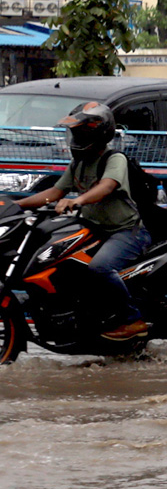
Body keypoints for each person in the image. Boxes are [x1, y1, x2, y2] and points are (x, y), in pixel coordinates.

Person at [19, 102, 152, 340]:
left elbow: (106, 186)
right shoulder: (78, 163)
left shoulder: (115, 159)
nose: (77, 137)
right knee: (63, 265)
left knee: (100, 268)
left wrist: (77, 201)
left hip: (126, 231)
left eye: (83, 132)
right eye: (76, 132)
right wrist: (13, 205)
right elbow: (54, 193)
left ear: (99, 133)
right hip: (94, 230)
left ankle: (134, 320)